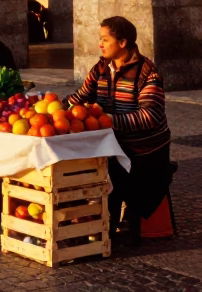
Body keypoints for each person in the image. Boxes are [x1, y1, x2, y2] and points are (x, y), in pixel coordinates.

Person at [66, 16, 171, 246]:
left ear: (122, 42)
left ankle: (103, 224)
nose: (100, 45)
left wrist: (107, 120)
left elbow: (150, 116)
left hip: (144, 151)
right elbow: (79, 98)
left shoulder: (148, 73)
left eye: (105, 39)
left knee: (106, 170)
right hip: (111, 144)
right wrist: (55, 108)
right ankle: (87, 221)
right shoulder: (101, 68)